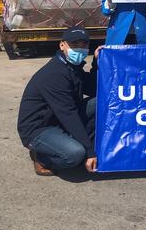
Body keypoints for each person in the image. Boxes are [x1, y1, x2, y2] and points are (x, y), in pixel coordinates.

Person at [17, 26, 101, 176]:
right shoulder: (55, 73)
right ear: (62, 45)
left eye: (84, 45)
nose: (80, 49)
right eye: (75, 45)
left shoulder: (73, 67)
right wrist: (89, 152)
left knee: (100, 102)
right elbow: (68, 115)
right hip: (39, 128)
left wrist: (96, 63)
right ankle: (42, 156)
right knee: (75, 154)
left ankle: (74, 142)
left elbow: (93, 89)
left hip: (58, 120)